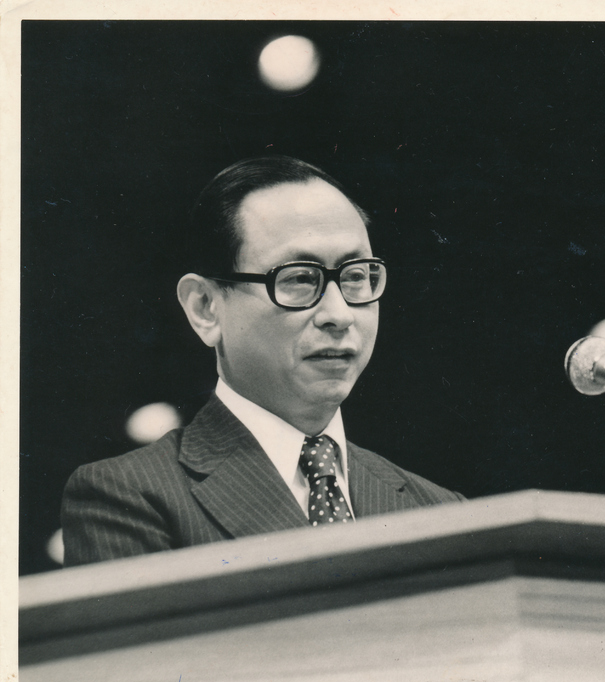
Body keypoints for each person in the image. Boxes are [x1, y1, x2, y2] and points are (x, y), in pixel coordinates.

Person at [61, 156, 464, 567]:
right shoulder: (128, 498)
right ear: (205, 308)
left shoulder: (441, 510)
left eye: (356, 277)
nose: (339, 315)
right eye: (299, 278)